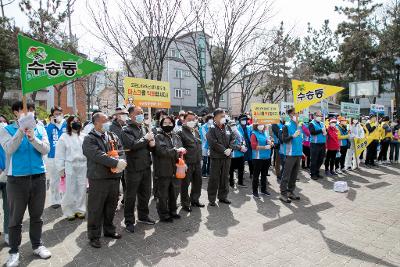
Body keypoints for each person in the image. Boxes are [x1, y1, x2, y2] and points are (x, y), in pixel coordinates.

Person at [0, 101, 51, 267]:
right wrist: (21, 132)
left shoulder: (40, 128)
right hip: (16, 179)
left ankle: (37, 245)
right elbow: (9, 149)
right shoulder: (5, 129)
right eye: (24, 111)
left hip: (39, 177)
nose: (29, 114)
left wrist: (33, 138)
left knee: (37, 216)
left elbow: (45, 150)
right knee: (15, 219)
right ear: (15, 113)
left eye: (31, 111)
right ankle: (14, 252)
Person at [82, 112, 127, 248]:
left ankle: (109, 229)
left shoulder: (112, 136)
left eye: (107, 120)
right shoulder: (89, 139)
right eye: (104, 121)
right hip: (98, 178)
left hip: (114, 177)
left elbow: (121, 150)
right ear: (95, 123)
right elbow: (96, 155)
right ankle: (94, 236)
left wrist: (122, 160)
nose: (107, 123)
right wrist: (115, 163)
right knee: (96, 208)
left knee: (111, 206)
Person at [121, 106, 156, 233]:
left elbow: (148, 146)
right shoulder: (126, 130)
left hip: (146, 166)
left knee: (145, 193)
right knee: (130, 196)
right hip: (133, 168)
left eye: (142, 113)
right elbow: (131, 145)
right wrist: (145, 139)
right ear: (131, 115)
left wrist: (152, 144)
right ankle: (129, 221)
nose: (141, 115)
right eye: (138, 113)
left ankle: (143, 216)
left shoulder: (144, 127)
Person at [154, 116, 186, 222]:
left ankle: (173, 211)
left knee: (174, 192)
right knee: (163, 194)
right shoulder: (158, 137)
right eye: (165, 123)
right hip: (163, 169)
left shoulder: (176, 136)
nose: (167, 125)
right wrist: (177, 150)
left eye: (170, 123)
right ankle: (163, 214)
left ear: (173, 124)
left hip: (175, 168)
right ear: (161, 124)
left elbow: (180, 151)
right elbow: (162, 151)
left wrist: (182, 158)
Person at [55, 116, 87, 220]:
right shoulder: (64, 137)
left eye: (78, 121)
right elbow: (59, 154)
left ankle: (80, 209)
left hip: (83, 165)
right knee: (70, 189)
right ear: (69, 124)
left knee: (81, 188)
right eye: (73, 122)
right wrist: (60, 168)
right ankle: (69, 211)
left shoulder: (84, 136)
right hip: (70, 165)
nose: (76, 123)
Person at [206, 109, 237, 206]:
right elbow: (213, 142)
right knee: (214, 178)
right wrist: (224, 150)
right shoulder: (211, 128)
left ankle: (223, 197)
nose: (224, 118)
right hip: (216, 157)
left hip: (227, 157)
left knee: (225, 177)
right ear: (215, 118)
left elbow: (233, 138)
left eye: (224, 116)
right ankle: (211, 199)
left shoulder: (227, 127)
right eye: (221, 116)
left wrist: (230, 149)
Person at [177, 111, 204, 212]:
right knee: (185, 184)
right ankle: (185, 203)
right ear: (183, 120)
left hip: (197, 161)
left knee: (198, 182)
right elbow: (179, 149)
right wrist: (183, 163)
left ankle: (195, 200)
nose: (192, 121)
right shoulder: (180, 132)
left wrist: (200, 159)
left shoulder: (196, 131)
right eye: (189, 119)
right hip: (187, 162)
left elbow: (199, 146)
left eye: (193, 120)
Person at [279, 108, 303, 204]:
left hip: (298, 153)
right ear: (290, 115)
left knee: (294, 174)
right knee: (286, 174)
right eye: (294, 114)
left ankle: (290, 191)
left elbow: (300, 140)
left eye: (297, 113)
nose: (296, 115)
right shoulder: (286, 126)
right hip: (290, 154)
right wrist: (292, 136)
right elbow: (284, 140)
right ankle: (283, 193)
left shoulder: (299, 125)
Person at [46, 106, 67, 209]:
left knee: (65, 179)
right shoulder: (49, 126)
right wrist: (51, 124)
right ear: (52, 115)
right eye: (56, 114)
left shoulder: (66, 124)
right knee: (54, 179)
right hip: (52, 156)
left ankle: (65, 198)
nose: (58, 116)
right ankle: (55, 200)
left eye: (59, 113)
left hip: (66, 156)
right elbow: (46, 138)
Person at [109, 107, 129, 205]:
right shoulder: (111, 127)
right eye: (121, 114)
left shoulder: (127, 126)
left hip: (127, 157)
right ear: (116, 116)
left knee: (126, 180)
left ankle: (126, 198)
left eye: (125, 114)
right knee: (116, 180)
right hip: (116, 157)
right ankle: (114, 200)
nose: (124, 116)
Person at [250, 122, 272, 198]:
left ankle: (263, 190)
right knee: (256, 175)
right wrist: (264, 147)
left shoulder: (265, 133)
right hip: (258, 157)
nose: (261, 126)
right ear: (256, 125)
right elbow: (253, 146)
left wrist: (270, 143)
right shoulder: (254, 134)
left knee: (264, 174)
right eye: (259, 124)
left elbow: (268, 142)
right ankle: (255, 191)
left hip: (266, 157)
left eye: (262, 124)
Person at [228, 120, 247, 188]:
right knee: (231, 170)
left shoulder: (238, 131)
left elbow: (242, 140)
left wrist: (244, 146)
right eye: (231, 125)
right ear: (229, 126)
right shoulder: (228, 133)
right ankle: (231, 183)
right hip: (233, 155)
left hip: (240, 154)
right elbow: (230, 145)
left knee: (241, 169)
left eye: (234, 125)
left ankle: (240, 182)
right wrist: (240, 148)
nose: (233, 126)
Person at [309, 111, 327, 180]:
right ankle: (313, 174)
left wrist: (325, 132)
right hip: (315, 144)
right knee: (314, 159)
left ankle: (317, 172)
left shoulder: (322, 123)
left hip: (322, 144)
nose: (320, 117)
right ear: (314, 116)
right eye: (318, 115)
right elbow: (312, 132)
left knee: (320, 159)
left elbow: (325, 130)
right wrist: (321, 130)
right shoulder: (311, 123)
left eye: (320, 116)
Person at [0, 119, 9, 245]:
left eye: (3, 121)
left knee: (8, 207)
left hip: (7, 176)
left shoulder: (8, 136)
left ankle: (8, 232)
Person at [238, 114, 253, 180]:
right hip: (241, 146)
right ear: (240, 121)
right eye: (243, 120)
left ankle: (252, 173)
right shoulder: (237, 128)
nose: (245, 121)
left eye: (246, 120)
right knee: (241, 161)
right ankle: (241, 175)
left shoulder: (248, 127)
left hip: (249, 145)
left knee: (251, 160)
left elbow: (251, 135)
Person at [272, 115, 286, 182]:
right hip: (278, 143)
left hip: (284, 144)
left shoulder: (282, 123)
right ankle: (278, 175)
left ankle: (283, 173)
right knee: (278, 160)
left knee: (283, 160)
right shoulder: (274, 124)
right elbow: (278, 133)